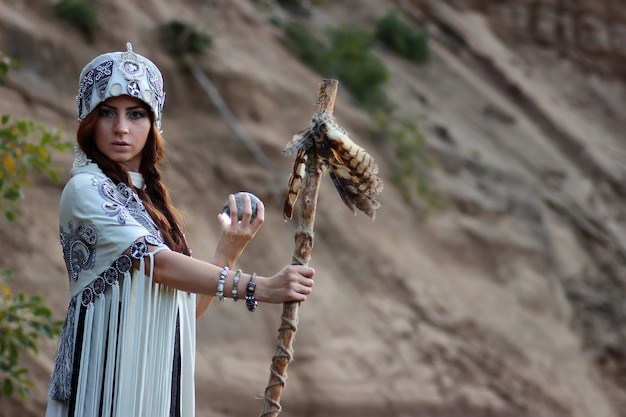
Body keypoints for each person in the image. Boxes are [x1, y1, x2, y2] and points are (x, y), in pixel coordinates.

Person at [45, 43, 315, 417]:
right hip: (104, 388)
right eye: (107, 112)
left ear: (152, 124)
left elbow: (184, 312)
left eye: (136, 114)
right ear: (89, 121)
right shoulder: (86, 188)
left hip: (152, 390)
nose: (121, 128)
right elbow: (160, 265)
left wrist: (228, 252)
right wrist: (260, 287)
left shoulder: (152, 207)